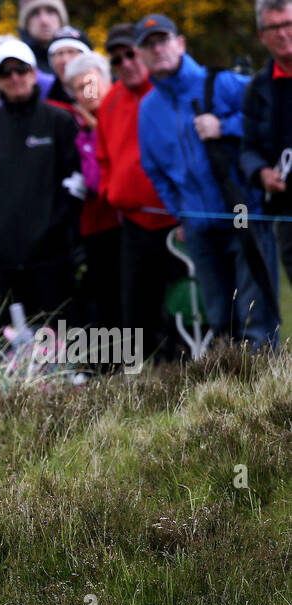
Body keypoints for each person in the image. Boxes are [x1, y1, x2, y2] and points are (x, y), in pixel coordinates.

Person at [137, 13, 280, 350]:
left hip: (244, 210)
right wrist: (182, 213)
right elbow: (154, 169)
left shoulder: (224, 84)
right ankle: (227, 392)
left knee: (254, 312)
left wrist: (224, 126)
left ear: (180, 43)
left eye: (163, 40)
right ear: (142, 53)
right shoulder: (148, 108)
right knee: (219, 317)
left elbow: (269, 121)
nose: (157, 50)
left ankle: (269, 386)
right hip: (200, 226)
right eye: (148, 45)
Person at [0, 39, 83, 325]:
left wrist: (54, 228)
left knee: (52, 335)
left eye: (21, 69)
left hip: (49, 256)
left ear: (33, 73)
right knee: (3, 339)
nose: (15, 77)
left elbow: (76, 183)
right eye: (6, 72)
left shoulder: (59, 121)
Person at [96, 21, 182, 361]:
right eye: (116, 59)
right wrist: (109, 191)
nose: (126, 63)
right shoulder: (109, 102)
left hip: (173, 220)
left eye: (130, 53)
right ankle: (141, 379)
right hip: (132, 221)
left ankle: (188, 370)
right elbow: (104, 157)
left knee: (178, 305)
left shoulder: (164, 93)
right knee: (135, 305)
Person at [65, 50, 121, 334]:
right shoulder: (80, 132)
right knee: (105, 298)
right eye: (79, 88)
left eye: (91, 82)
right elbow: (96, 181)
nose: (87, 92)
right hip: (98, 227)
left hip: (132, 222)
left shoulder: (125, 116)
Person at [242, 0, 292, 297]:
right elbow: (248, 147)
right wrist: (260, 171)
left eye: (288, 24)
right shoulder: (257, 88)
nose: (282, 33)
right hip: (286, 210)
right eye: (274, 27)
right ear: (262, 35)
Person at [17, 1, 66, 76]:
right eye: (35, 13)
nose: (44, 21)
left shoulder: (80, 57)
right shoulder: (14, 63)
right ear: (26, 22)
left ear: (61, 18)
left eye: (50, 12)